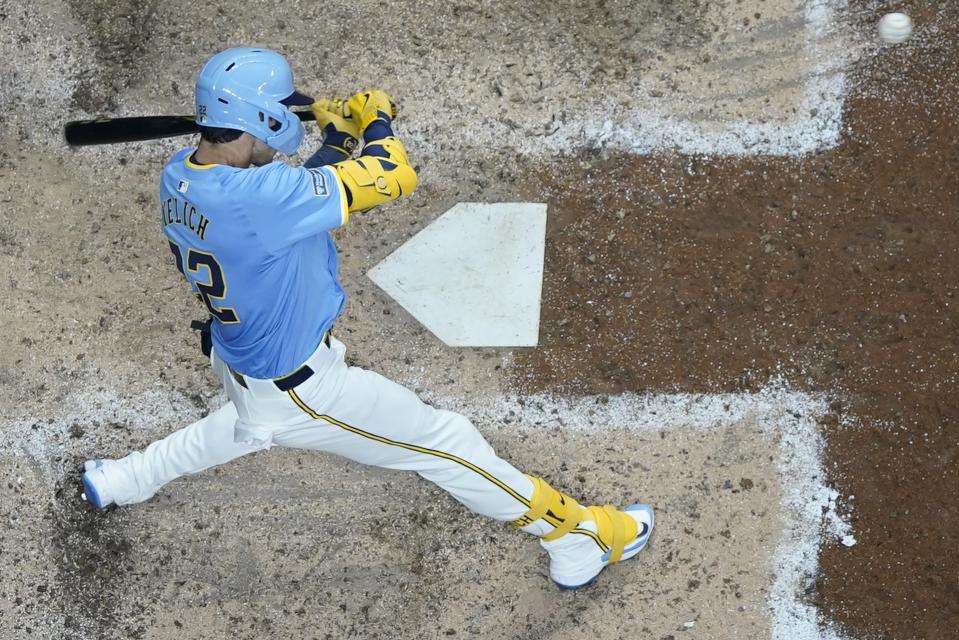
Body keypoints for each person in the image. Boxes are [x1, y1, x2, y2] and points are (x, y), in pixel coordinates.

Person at [80, 47, 653, 589]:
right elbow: (395, 174)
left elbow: (293, 200)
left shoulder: (183, 173)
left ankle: (127, 478)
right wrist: (376, 123)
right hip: (303, 387)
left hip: (238, 356)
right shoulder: (263, 197)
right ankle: (580, 539)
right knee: (447, 444)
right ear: (259, 118)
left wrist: (337, 137)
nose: (291, 117)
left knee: (247, 425)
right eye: (282, 108)